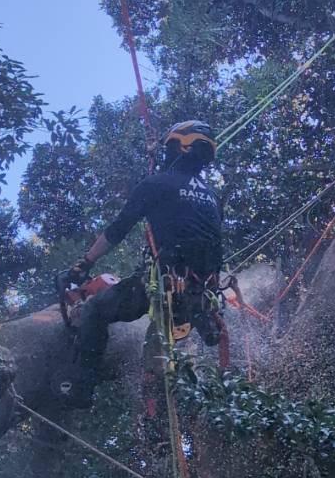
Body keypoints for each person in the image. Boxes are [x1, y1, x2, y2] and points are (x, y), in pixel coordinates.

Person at [59, 119, 223, 405]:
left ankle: (81, 386)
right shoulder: (212, 197)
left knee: (96, 309)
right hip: (203, 292)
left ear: (178, 147)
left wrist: (84, 264)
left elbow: (118, 230)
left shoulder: (156, 183)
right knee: (161, 355)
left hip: (165, 284)